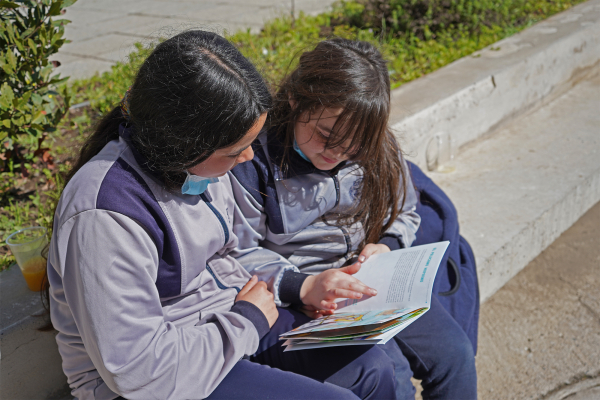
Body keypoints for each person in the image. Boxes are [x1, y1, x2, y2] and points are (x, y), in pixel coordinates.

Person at [47, 31, 398, 400]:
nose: (247, 159)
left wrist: (302, 287)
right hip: (163, 373)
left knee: (372, 369)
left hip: (227, 322)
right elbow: (138, 372)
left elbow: (230, 257)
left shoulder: (196, 169)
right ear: (185, 142)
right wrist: (246, 321)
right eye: (235, 151)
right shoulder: (105, 216)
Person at [230, 38, 477, 400]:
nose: (337, 154)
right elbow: (237, 251)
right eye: (326, 136)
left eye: (354, 147)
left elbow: (407, 210)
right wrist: (303, 285)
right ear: (297, 100)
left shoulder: (374, 145)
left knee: (455, 357)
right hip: (305, 296)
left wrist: (386, 245)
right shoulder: (256, 161)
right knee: (393, 376)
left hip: (375, 282)